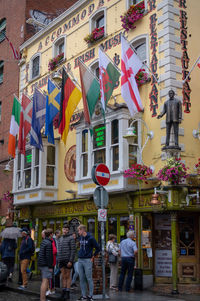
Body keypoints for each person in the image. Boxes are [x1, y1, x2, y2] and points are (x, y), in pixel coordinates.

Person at [77, 224, 100, 301]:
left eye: (79, 230)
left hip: (87, 260)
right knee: (81, 278)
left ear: (83, 230)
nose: (78, 232)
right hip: (80, 260)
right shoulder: (80, 238)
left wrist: (93, 256)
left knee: (89, 278)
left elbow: (98, 248)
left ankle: (90, 296)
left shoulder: (91, 238)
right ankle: (83, 295)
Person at [58, 223, 76, 300]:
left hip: (68, 260)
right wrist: (58, 259)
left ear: (68, 231)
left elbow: (73, 250)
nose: (65, 231)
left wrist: (71, 261)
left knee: (68, 276)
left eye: (66, 230)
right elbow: (59, 250)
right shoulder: (60, 238)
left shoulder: (71, 238)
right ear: (62, 230)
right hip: (61, 259)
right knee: (63, 276)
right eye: (64, 229)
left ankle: (67, 292)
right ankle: (63, 291)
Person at [38, 228, 54, 301]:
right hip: (46, 264)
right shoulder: (49, 243)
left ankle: (42, 298)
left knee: (44, 281)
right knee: (45, 281)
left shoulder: (44, 241)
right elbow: (49, 256)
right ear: (50, 234)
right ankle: (43, 299)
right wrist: (50, 266)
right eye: (52, 234)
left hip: (42, 263)